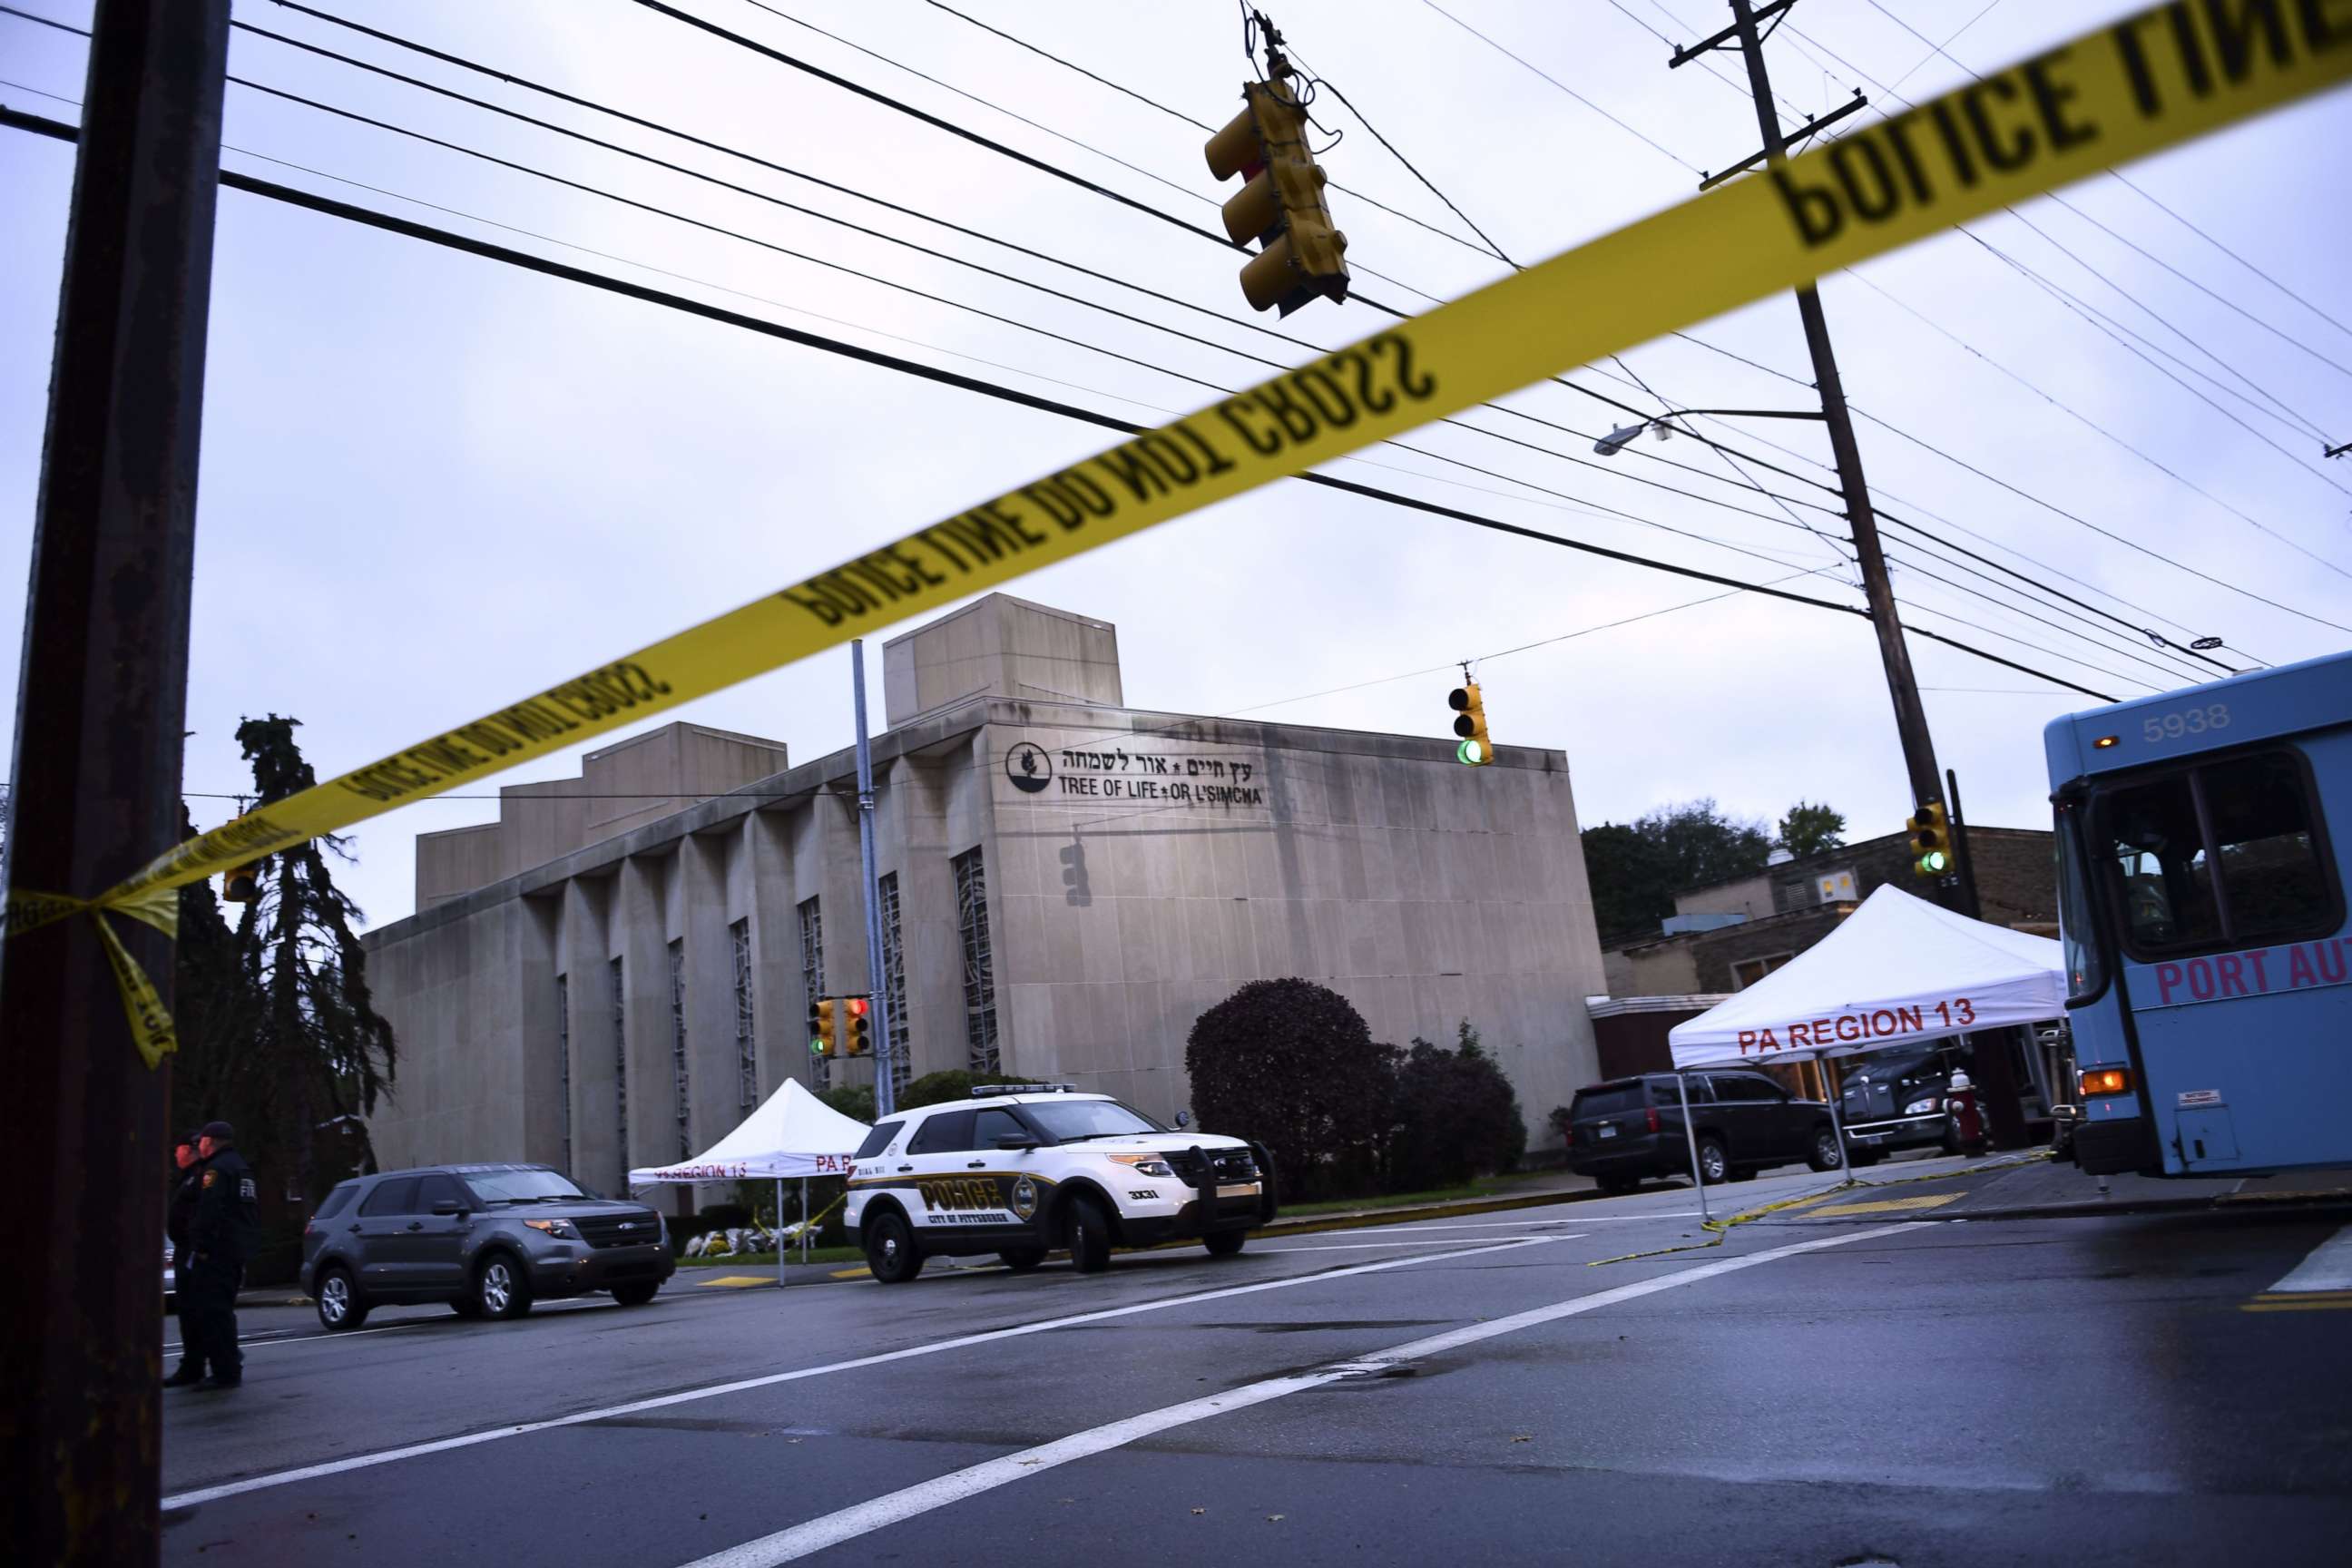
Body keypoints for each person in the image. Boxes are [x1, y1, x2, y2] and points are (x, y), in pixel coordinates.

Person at [183, 1121, 258, 1391]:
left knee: (214, 1312)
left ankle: (225, 1370)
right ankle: (228, 1364)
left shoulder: (216, 1170)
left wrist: (200, 1246)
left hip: (217, 1252)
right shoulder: (241, 1166)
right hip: (234, 1250)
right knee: (223, 1311)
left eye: (201, 1141)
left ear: (210, 1141)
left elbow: (210, 1211)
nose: (199, 1146)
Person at [162, 1131, 210, 1387]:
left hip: (191, 1253)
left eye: (178, 1149)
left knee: (194, 1312)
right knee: (188, 1313)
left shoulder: (199, 1178)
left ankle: (195, 1365)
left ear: (189, 1150)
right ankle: (192, 1364)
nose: (175, 1154)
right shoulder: (189, 1179)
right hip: (186, 1251)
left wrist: (194, 1245)